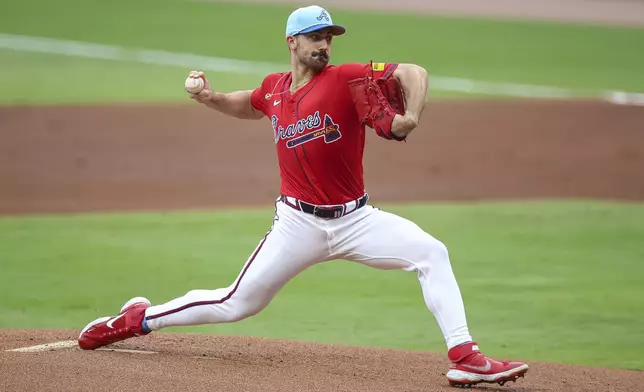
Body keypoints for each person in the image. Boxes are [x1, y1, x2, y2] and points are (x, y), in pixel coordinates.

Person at [77, 5, 528, 387]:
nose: (324, 45)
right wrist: (211, 98)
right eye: (315, 37)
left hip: (357, 220)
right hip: (298, 225)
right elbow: (249, 103)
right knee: (237, 302)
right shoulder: (275, 88)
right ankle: (135, 319)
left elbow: (413, 71)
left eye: (329, 37)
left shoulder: (346, 78)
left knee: (431, 252)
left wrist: (410, 115)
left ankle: (465, 356)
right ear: (292, 41)